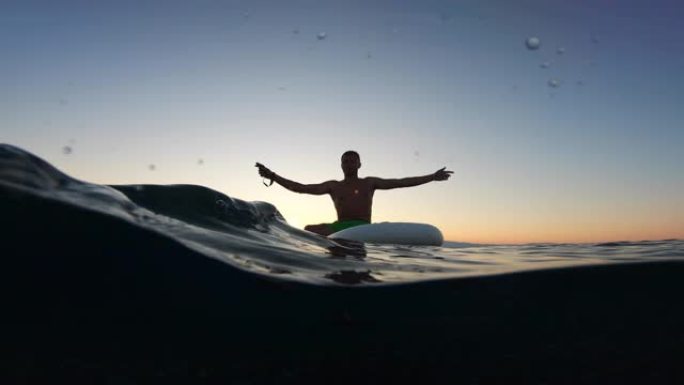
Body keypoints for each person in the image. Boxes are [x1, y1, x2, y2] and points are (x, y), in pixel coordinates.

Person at [255, 151, 453, 236]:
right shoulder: (333, 186)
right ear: (341, 165)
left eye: (353, 161)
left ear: (359, 164)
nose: (349, 164)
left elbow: (402, 182)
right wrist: (273, 175)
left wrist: (432, 177)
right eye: (346, 161)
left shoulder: (369, 183)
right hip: (339, 227)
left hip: (361, 227)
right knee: (308, 228)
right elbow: (301, 188)